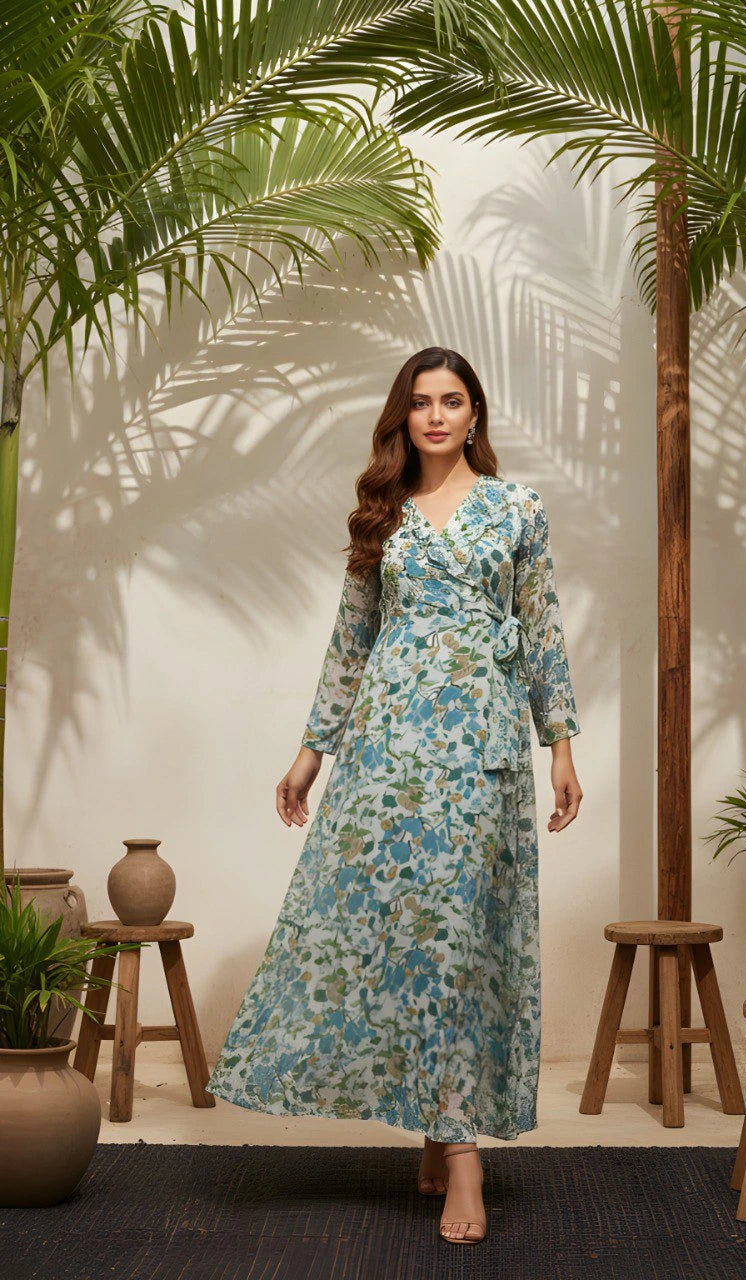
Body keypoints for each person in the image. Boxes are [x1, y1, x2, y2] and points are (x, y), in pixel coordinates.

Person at [206, 346, 583, 1245]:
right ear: (402, 418)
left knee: (458, 939)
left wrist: (560, 747)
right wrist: (310, 754)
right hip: (387, 749)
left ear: (474, 412)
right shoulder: (383, 513)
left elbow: (541, 628)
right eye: (420, 403)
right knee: (407, 937)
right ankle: (438, 1128)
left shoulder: (515, 508)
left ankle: (458, 1150)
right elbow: (351, 640)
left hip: (478, 748)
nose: (437, 416)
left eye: (451, 401)